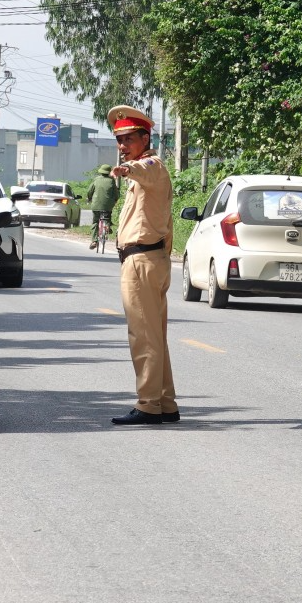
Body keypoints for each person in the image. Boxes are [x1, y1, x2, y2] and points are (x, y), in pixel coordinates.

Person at [106, 105, 179, 426]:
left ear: (145, 138)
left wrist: (127, 170)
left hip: (142, 262)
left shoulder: (151, 165)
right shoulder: (146, 169)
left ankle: (148, 404)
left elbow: (145, 168)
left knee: (143, 336)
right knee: (154, 335)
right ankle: (164, 402)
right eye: (119, 140)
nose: (122, 146)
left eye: (128, 139)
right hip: (148, 259)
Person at [86, 164, 120, 249]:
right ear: (109, 172)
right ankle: (107, 226)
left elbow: (89, 191)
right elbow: (116, 194)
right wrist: (115, 200)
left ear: (101, 171)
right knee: (107, 216)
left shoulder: (96, 180)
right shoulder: (112, 180)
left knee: (95, 222)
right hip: (108, 206)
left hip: (96, 205)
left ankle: (94, 241)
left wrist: (89, 198)